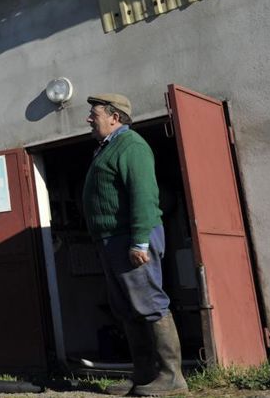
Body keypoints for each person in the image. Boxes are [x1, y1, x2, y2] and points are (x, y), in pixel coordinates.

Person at [83, 93, 188, 396]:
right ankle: (144, 375)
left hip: (131, 238)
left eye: (95, 114)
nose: (89, 119)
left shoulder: (132, 146)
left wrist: (140, 242)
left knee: (149, 304)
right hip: (112, 240)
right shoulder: (108, 148)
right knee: (127, 309)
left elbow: (144, 196)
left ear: (114, 117)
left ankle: (172, 378)